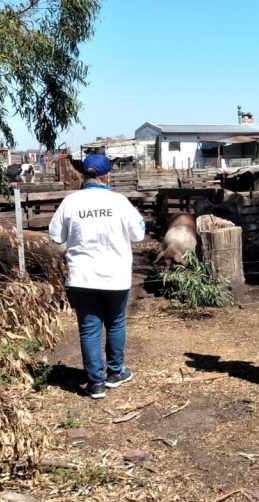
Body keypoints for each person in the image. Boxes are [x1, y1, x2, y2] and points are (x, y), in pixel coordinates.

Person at [48, 154, 146, 399]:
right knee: (115, 323)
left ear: (83, 175)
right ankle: (115, 372)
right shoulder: (120, 202)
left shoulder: (71, 202)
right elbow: (138, 235)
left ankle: (96, 383)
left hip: (82, 277)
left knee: (89, 329)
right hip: (115, 276)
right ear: (107, 175)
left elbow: (55, 236)